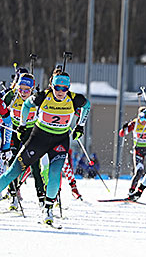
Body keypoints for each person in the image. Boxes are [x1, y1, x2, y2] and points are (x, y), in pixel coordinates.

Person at [0, 68, 90, 225]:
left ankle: (48, 209)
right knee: (13, 171)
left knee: (55, 173)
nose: (60, 91)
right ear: (52, 86)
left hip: (60, 141)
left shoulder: (74, 98)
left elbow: (87, 105)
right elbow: (27, 105)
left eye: (64, 88)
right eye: (57, 87)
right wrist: (22, 125)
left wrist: (80, 126)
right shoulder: (43, 96)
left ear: (68, 88)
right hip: (39, 139)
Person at [2, 72, 46, 209]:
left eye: (26, 90)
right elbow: (2, 108)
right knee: (11, 162)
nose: (23, 92)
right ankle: (13, 195)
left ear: (32, 89)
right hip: (14, 130)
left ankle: (42, 198)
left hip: (31, 132)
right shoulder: (13, 95)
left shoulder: (36, 98)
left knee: (35, 167)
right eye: (20, 89)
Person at [119, 107, 146, 204]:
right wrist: (124, 128)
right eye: (141, 119)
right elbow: (122, 134)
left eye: (145, 119)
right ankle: (131, 192)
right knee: (139, 171)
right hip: (139, 150)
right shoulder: (135, 123)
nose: (143, 121)